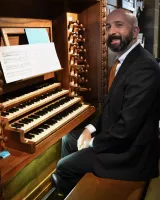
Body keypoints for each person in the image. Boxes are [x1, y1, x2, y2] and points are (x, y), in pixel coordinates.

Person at [52, 8, 160, 196]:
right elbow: (111, 109)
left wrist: (93, 143)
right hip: (120, 139)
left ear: (135, 31)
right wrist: (89, 129)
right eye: (108, 27)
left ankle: (80, 191)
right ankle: (78, 184)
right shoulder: (124, 61)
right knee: (68, 139)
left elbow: (126, 129)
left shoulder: (145, 67)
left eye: (119, 25)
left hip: (130, 155)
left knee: (63, 167)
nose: (112, 32)